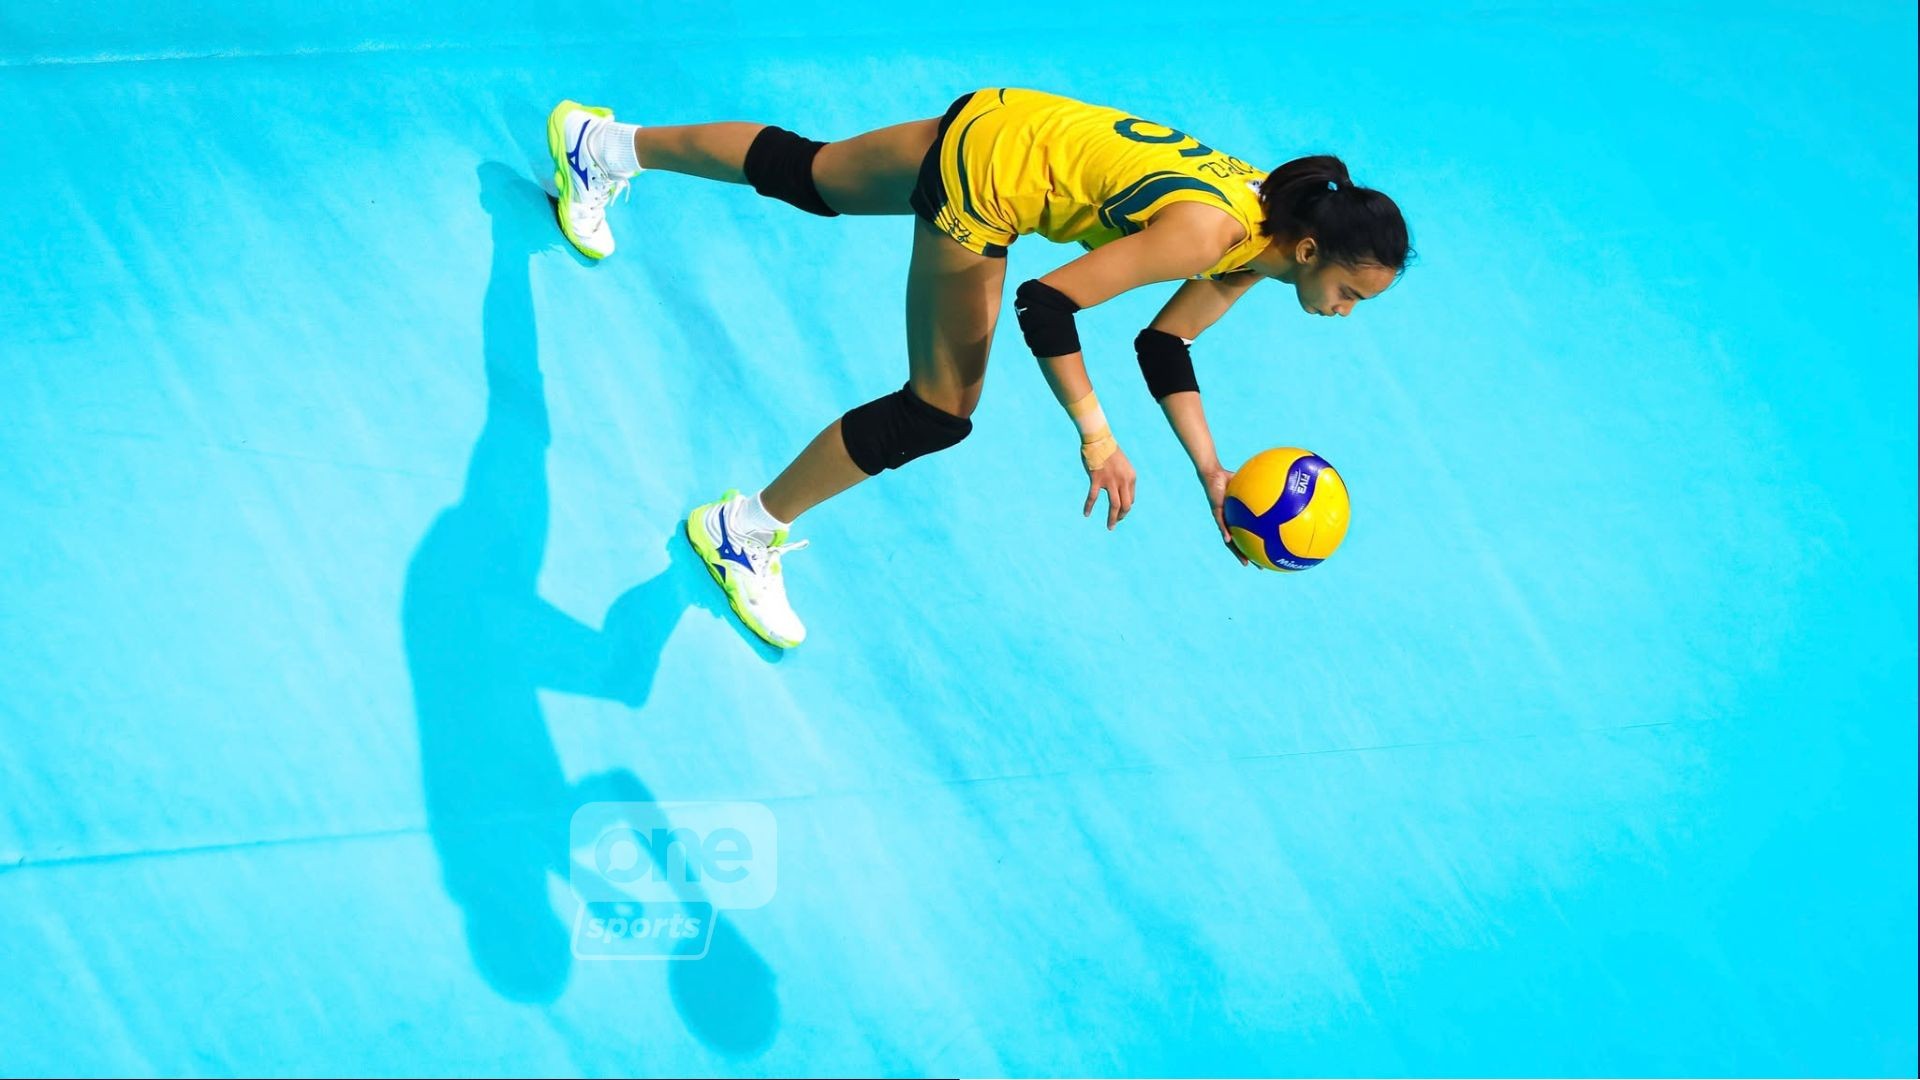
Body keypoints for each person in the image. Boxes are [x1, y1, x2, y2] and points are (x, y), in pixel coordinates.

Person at [545, 87, 1412, 648]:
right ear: (1311, 252)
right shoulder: (1210, 233)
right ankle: (742, 532)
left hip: (1001, 119)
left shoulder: (1265, 222)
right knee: (937, 410)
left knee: (810, 174)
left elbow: (1164, 344)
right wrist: (1097, 439)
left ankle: (601, 144)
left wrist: (1212, 473)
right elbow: (1047, 305)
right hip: (986, 183)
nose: (1344, 312)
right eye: (1349, 293)